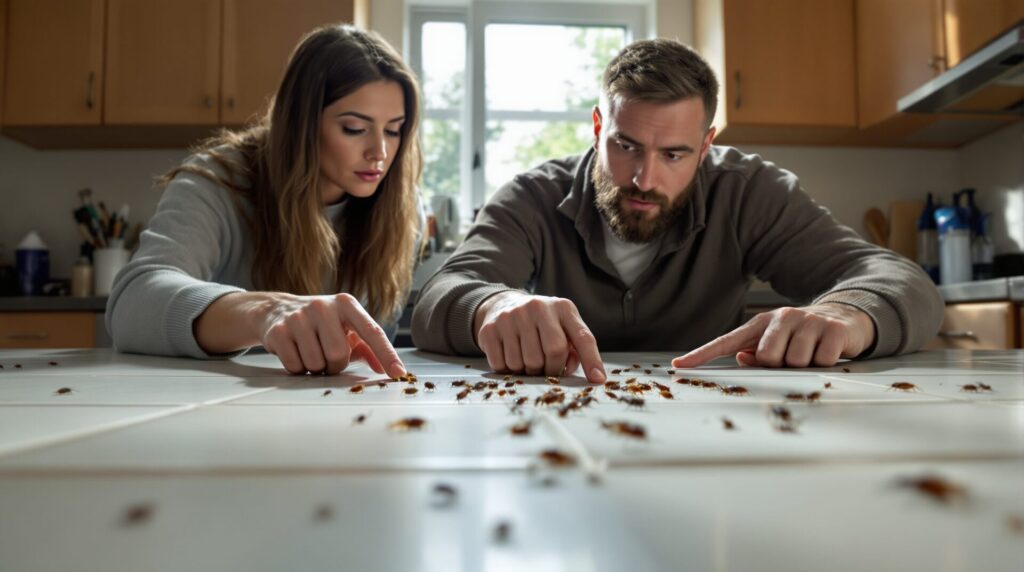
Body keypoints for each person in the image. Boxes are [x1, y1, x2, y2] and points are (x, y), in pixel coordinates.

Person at [411, 38, 944, 383]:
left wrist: (845, 314)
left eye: (674, 155)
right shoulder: (532, 195)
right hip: (556, 422)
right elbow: (440, 295)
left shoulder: (749, 192)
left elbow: (901, 280)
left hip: (714, 421)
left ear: (706, 145)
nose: (646, 178)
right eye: (625, 147)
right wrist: (493, 305)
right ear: (598, 129)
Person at [107, 25, 422, 378]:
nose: (379, 152)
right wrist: (264, 312)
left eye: (394, 129)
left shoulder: (403, 210)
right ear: (302, 123)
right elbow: (131, 303)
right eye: (354, 128)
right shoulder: (218, 183)